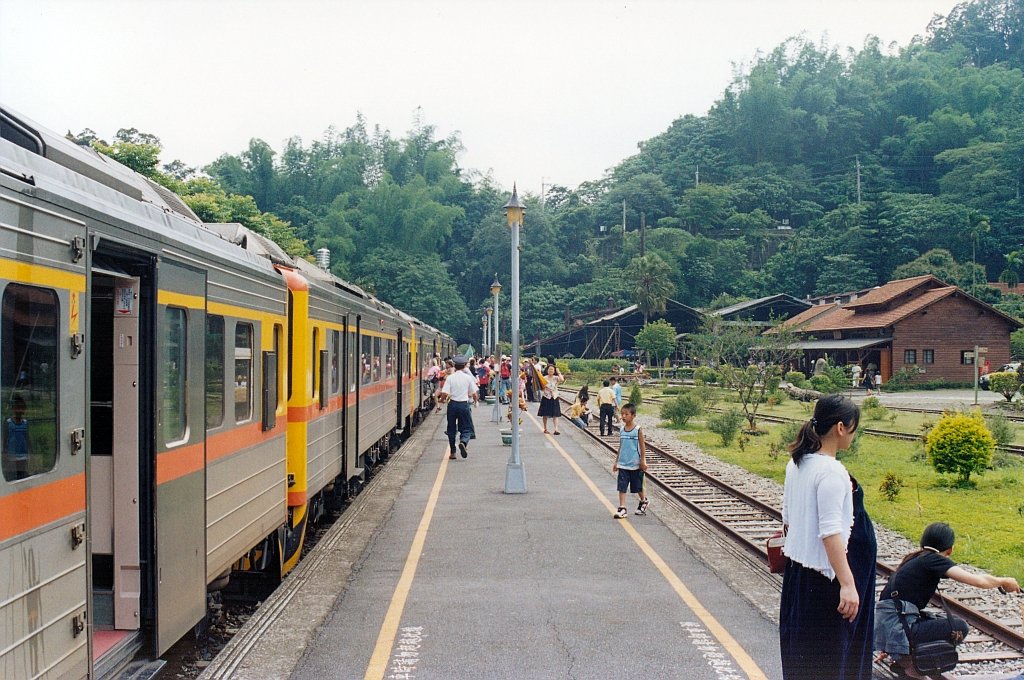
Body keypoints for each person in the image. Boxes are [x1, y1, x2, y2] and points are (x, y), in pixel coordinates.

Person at [779, 394, 876, 680]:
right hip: (825, 585)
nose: (853, 435)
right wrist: (848, 584)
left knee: (803, 663)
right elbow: (831, 532)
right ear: (841, 428)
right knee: (831, 666)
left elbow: (787, 519)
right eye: (854, 427)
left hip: (798, 579)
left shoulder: (797, 463)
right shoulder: (832, 472)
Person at [874, 522, 1020, 679]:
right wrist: (1004, 580)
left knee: (934, 619)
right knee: (958, 627)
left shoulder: (915, 558)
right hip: (896, 628)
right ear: (950, 550)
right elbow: (978, 581)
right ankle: (910, 666)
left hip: (886, 626)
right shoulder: (933, 559)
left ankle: (905, 659)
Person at [612, 403, 648, 519]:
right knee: (622, 486)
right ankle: (622, 508)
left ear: (633, 416)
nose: (623, 416)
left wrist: (643, 461)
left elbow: (642, 446)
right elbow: (621, 446)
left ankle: (643, 501)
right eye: (622, 414)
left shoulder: (637, 430)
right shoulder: (622, 429)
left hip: (635, 464)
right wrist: (616, 461)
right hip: (623, 463)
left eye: (626, 414)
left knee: (637, 486)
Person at [440, 355, 478, 459]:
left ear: (454, 366)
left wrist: (441, 400)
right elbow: (474, 393)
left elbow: (444, 393)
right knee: (466, 427)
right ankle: (463, 442)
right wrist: (475, 401)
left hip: (452, 405)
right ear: (465, 365)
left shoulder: (450, 378)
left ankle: (452, 452)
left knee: (451, 428)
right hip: (464, 405)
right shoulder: (468, 378)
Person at [3, 394, 31, 480]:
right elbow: (5, 439)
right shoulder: (8, 423)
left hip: (23, 454)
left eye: (21, 407)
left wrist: (30, 451)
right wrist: (4, 452)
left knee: (21, 474)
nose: (19, 410)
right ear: (13, 408)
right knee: (11, 475)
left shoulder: (25, 423)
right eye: (17, 407)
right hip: (11, 454)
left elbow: (28, 438)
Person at [537, 363, 564, 434]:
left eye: (552, 369)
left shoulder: (556, 378)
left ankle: (556, 429)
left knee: (555, 414)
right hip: (546, 397)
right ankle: (545, 428)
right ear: (547, 370)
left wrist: (559, 372)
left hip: (554, 397)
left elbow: (562, 379)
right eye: (549, 369)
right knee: (545, 414)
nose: (551, 370)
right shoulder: (544, 377)